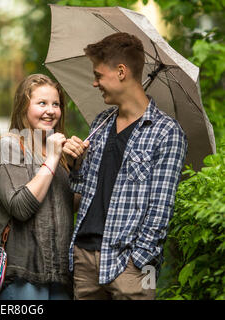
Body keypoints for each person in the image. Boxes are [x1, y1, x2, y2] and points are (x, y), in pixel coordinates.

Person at [63, 33, 188, 300]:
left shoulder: (166, 132)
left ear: (121, 72)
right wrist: (75, 165)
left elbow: (160, 210)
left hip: (131, 268)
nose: (94, 82)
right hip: (85, 259)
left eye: (98, 75)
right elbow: (83, 191)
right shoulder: (100, 122)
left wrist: (138, 261)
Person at [0, 74, 79, 300]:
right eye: (42, 103)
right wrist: (52, 160)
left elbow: (71, 204)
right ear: (23, 106)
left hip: (59, 275)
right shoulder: (8, 146)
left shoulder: (56, 151)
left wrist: (77, 166)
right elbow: (20, 207)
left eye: (56, 104)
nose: (51, 111)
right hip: (22, 276)